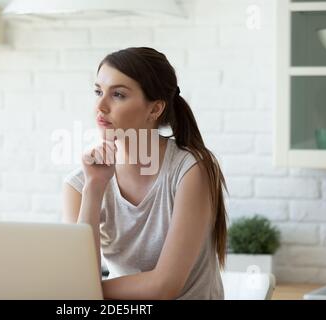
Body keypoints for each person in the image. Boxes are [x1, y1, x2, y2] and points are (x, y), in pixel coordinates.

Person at [62, 47, 228, 300]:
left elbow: (164, 287)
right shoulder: (80, 184)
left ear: (155, 109)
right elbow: (78, 275)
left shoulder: (190, 170)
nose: (100, 106)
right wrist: (94, 188)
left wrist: (84, 291)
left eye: (117, 94)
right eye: (98, 92)